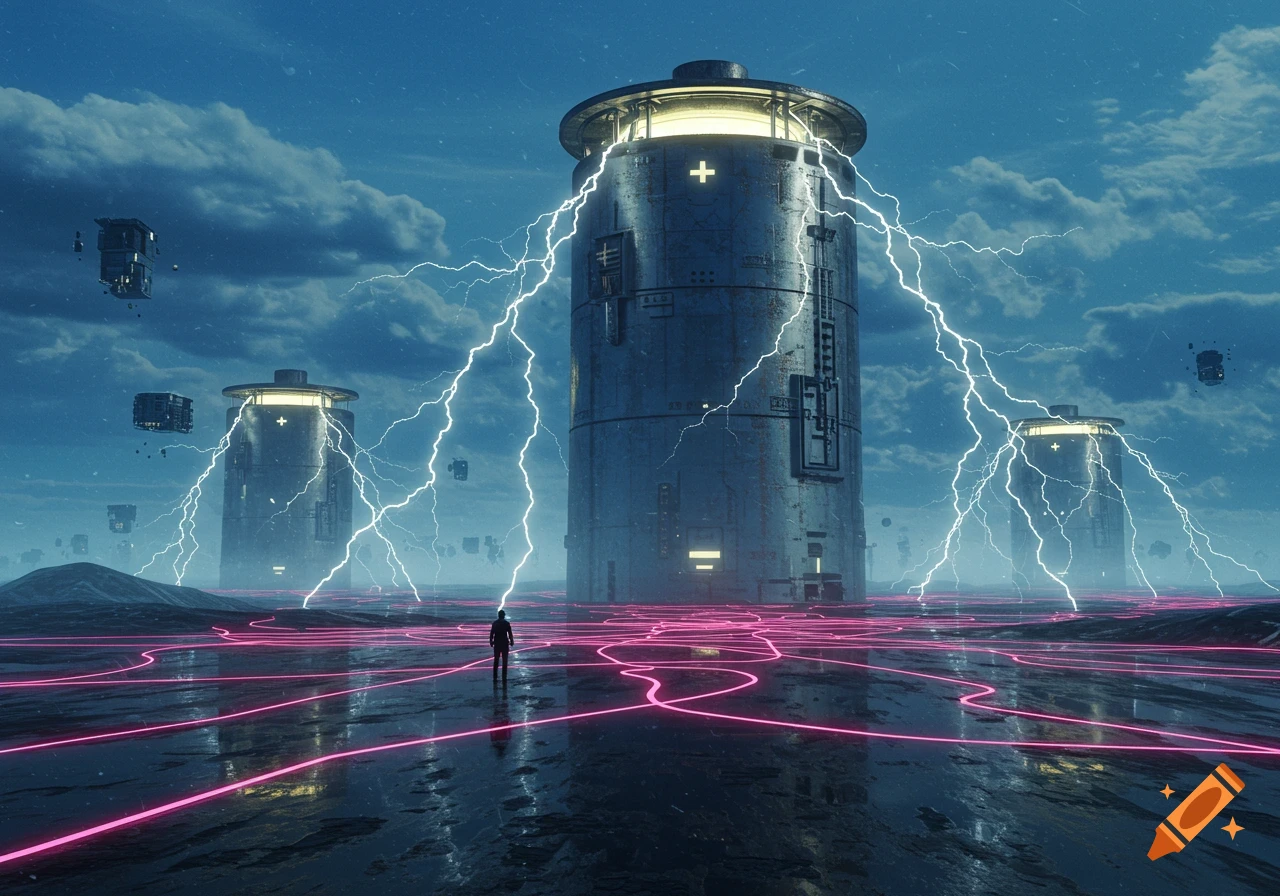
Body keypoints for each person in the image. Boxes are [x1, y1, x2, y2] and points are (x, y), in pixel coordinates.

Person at [489, 609, 514, 681]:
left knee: (496, 659)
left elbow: (492, 633)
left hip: (497, 643)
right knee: (504, 660)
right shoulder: (506, 623)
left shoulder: (495, 623)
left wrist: (491, 641)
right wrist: (511, 641)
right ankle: (504, 676)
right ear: (504, 615)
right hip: (504, 643)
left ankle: (495, 675)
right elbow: (510, 633)